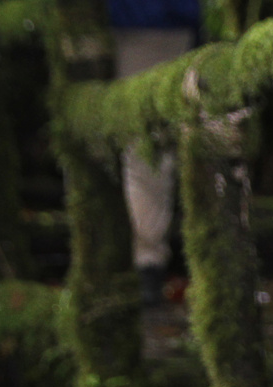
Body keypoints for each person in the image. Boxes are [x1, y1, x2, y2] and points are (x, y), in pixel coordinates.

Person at [109, 0, 203, 304]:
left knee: (145, 147)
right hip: (124, 22)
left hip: (153, 21)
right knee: (135, 147)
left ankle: (145, 264)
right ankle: (133, 261)